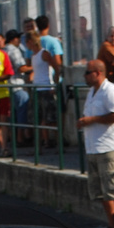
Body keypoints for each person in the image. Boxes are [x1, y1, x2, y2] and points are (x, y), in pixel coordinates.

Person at [78, 59, 114, 228]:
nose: (85, 76)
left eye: (87, 72)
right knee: (101, 190)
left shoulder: (111, 91)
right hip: (94, 146)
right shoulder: (92, 92)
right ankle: (112, 225)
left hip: (109, 146)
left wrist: (91, 120)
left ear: (98, 73)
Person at [32, 16, 65, 148]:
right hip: (51, 82)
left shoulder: (35, 42)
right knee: (57, 113)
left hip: (38, 84)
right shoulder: (53, 41)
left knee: (42, 116)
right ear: (48, 25)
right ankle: (59, 140)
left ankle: (45, 141)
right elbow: (57, 62)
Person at [4, 30, 33, 144]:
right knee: (22, 110)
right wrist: (34, 67)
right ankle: (21, 137)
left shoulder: (3, 50)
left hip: (7, 87)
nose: (19, 40)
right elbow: (21, 68)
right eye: (18, 38)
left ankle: (13, 137)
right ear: (13, 39)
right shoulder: (14, 50)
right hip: (17, 84)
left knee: (12, 114)